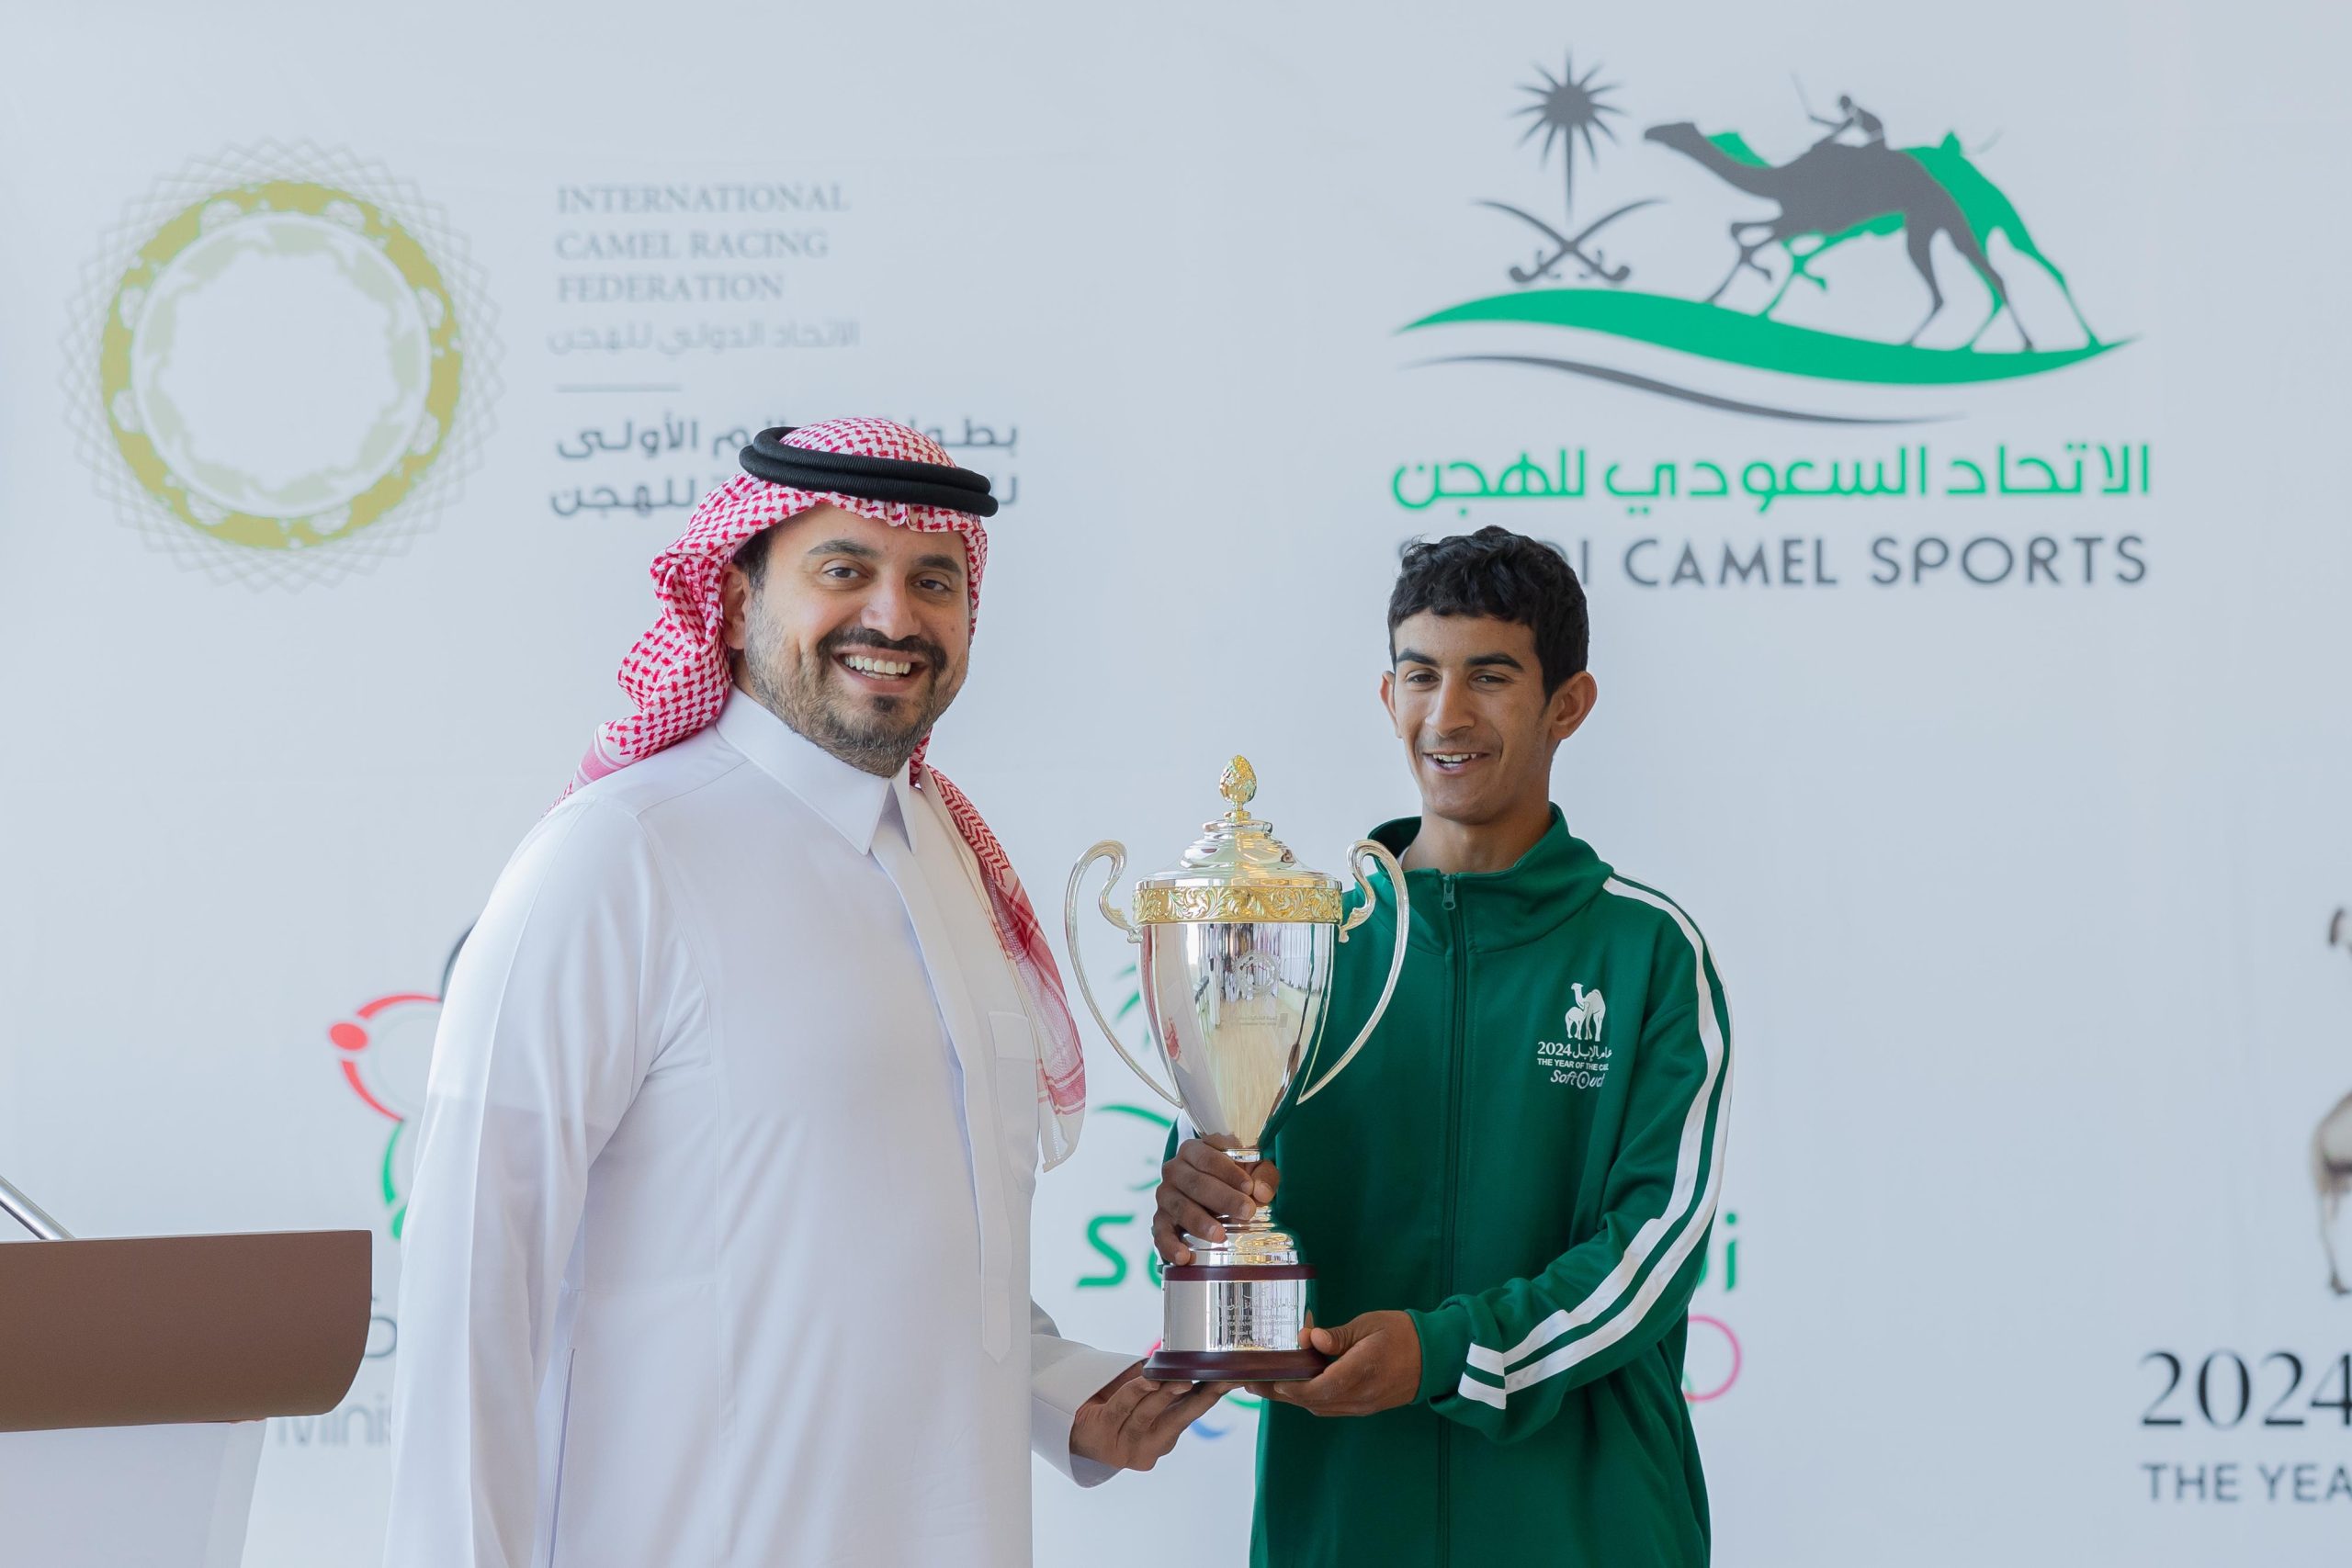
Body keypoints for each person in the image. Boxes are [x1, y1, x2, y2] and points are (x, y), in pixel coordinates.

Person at [386, 418, 1225, 1568]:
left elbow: (903, 1236)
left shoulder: (950, 857)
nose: (894, 617)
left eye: (933, 581)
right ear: (735, 605)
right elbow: (473, 1290)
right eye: (843, 569)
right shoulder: (618, 856)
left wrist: (1059, 1391)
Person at [1153, 525, 1731, 1566]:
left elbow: (1654, 1248)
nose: (1447, 715)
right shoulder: (1301, 948)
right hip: (1340, 1524)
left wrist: (1446, 1353)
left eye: (1490, 677)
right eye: (1420, 675)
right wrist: (1194, 1208)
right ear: (1388, 697)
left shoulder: (1646, 950)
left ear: (1568, 704)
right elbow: (1220, 1191)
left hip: (1588, 1530)